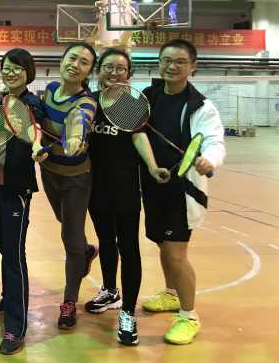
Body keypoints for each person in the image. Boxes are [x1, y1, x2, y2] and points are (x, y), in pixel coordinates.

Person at [139, 39, 225, 345]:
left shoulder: (201, 105)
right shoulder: (148, 96)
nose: (171, 66)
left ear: (193, 67)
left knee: (176, 254)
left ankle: (189, 316)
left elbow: (214, 141)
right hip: (153, 184)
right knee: (162, 244)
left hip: (183, 190)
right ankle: (171, 293)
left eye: (179, 62)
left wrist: (209, 159)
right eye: (166, 60)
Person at [85, 48, 170, 346]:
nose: (114, 72)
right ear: (99, 71)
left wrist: (153, 166)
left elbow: (138, 136)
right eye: (108, 67)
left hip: (125, 190)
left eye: (120, 68)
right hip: (95, 189)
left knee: (129, 247)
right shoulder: (90, 102)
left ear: (128, 74)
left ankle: (128, 313)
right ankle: (110, 291)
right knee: (106, 241)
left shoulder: (131, 105)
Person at [0, 48, 45, 355]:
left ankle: (15, 327)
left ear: (28, 73)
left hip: (15, 191)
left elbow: (36, 132)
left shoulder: (32, 104)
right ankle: (8, 298)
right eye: (7, 67)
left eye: (17, 68)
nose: (10, 73)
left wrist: (37, 147)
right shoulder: (2, 101)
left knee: (13, 256)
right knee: (4, 249)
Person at [36, 42, 98, 331]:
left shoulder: (86, 102)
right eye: (72, 58)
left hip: (76, 178)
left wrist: (74, 139)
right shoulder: (49, 91)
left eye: (84, 62)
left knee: (69, 237)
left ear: (88, 71)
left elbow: (79, 122)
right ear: (62, 60)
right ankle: (86, 250)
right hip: (49, 173)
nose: (75, 65)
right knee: (65, 223)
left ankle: (69, 303)